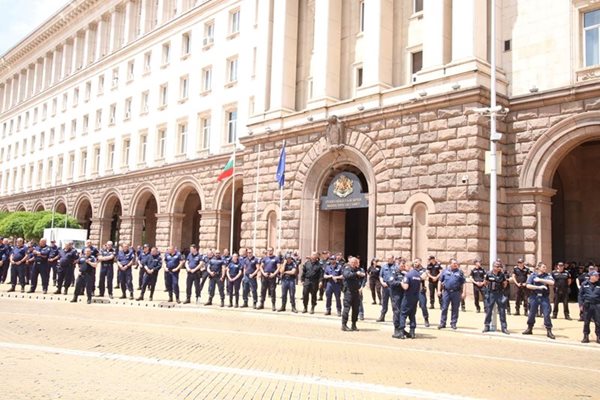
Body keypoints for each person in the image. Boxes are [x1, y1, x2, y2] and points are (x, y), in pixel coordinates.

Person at [522, 263, 556, 339]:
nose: (545, 268)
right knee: (531, 313)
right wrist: (539, 287)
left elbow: (552, 282)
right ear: (539, 267)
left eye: (545, 267)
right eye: (543, 267)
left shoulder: (547, 275)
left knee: (546, 314)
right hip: (534, 297)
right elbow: (528, 285)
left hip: (544, 297)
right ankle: (529, 328)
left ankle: (549, 330)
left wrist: (540, 280)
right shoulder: (533, 275)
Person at [396, 262, 425, 339]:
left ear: (409, 266)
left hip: (408, 297)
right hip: (415, 297)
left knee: (403, 314)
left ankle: (401, 332)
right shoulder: (418, 275)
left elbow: (405, 287)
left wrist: (401, 282)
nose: (405, 268)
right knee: (412, 314)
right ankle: (412, 332)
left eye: (406, 266)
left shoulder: (408, 275)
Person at [438, 259, 466, 330]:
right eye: (454, 263)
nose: (455, 264)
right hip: (446, 292)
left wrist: (464, 292)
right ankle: (442, 323)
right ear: (450, 264)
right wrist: (439, 290)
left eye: (456, 263)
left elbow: (464, 283)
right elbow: (440, 281)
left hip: (456, 292)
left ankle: (453, 323)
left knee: (455, 308)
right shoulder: (445, 271)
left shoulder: (460, 272)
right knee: (444, 308)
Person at [482, 261, 510, 334]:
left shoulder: (502, 275)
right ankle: (487, 326)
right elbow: (485, 282)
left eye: (499, 266)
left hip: (499, 294)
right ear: (493, 267)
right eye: (497, 266)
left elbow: (505, 283)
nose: (498, 268)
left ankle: (504, 327)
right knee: (489, 310)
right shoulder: (489, 274)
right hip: (491, 293)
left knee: (502, 311)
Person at [341, 257, 364, 331]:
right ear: (350, 262)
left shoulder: (358, 269)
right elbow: (347, 275)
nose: (354, 264)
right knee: (347, 308)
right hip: (348, 291)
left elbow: (363, 277)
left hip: (356, 291)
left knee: (356, 309)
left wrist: (361, 284)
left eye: (355, 262)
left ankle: (354, 324)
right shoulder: (347, 268)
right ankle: (344, 325)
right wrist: (356, 274)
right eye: (352, 262)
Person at [578, 271, 600, 343]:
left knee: (598, 322)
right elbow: (580, 295)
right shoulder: (584, 284)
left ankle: (598, 336)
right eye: (596, 276)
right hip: (587, 305)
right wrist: (580, 305)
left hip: (597, 305)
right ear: (591, 276)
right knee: (586, 322)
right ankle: (586, 336)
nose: (597, 277)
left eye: (598, 275)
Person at [388, 260, 407, 338]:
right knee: (397, 312)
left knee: (402, 312)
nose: (403, 267)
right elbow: (391, 283)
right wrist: (400, 283)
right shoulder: (394, 272)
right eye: (402, 266)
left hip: (403, 295)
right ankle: (396, 329)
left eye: (404, 266)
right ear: (398, 265)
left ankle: (402, 328)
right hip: (396, 295)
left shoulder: (404, 273)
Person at [258, 247, 281, 311]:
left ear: (273, 251)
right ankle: (261, 304)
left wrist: (274, 274)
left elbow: (278, 267)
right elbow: (261, 267)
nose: (269, 251)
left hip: (272, 277)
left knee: (272, 291)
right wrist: (263, 273)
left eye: (271, 250)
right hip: (265, 276)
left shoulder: (276, 258)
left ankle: (273, 305)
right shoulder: (265, 258)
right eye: (268, 250)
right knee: (263, 290)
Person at [377, 255, 396, 322]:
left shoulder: (396, 267)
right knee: (384, 302)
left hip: (393, 287)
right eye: (387, 259)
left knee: (394, 303)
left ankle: (395, 317)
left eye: (389, 259)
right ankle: (382, 316)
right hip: (385, 287)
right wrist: (382, 282)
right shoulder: (384, 266)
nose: (388, 260)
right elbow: (380, 276)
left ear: (393, 259)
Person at [412, 258, 430, 327]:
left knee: (423, 306)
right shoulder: (412, 270)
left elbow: (423, 277)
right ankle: (412, 319)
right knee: (413, 306)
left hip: (420, 291)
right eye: (414, 262)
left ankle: (426, 319)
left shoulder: (424, 270)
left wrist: (415, 277)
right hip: (413, 291)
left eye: (416, 262)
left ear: (420, 262)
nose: (415, 263)